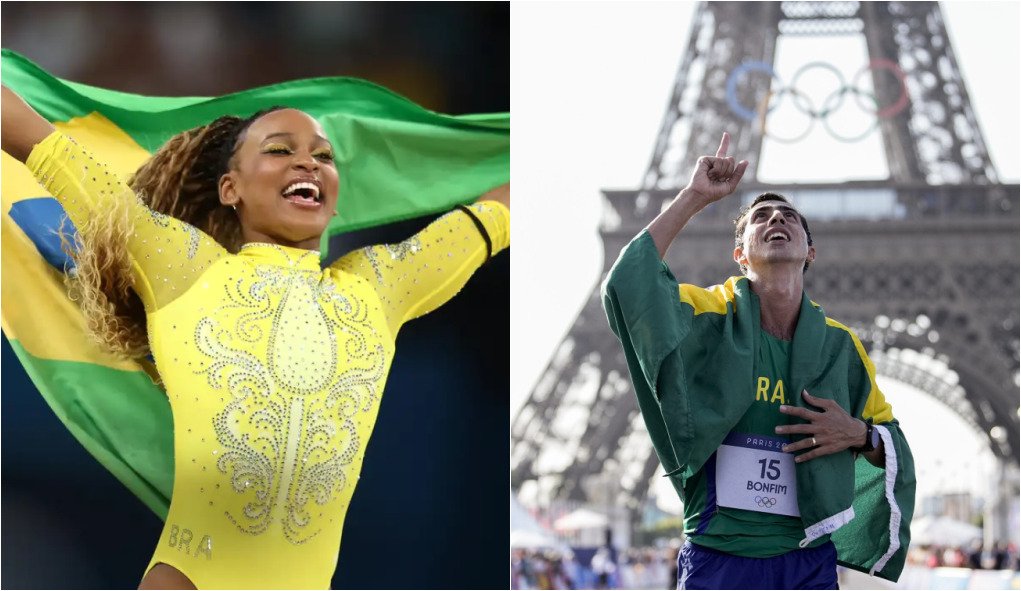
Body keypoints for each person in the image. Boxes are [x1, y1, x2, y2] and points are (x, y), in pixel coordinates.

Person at [1, 85, 509, 589]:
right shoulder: (181, 266)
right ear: (231, 189)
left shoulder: (379, 286)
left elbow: (495, 215)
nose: (308, 163)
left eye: (323, 156)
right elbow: (42, 145)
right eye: (279, 150)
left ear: (334, 198)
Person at [602, 133, 915, 589]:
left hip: (805, 563)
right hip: (720, 557)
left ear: (809, 250)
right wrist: (694, 198)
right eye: (761, 217)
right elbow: (628, 286)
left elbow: (892, 443)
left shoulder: (841, 348)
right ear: (740, 254)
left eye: (789, 216)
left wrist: (858, 433)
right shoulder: (704, 315)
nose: (776, 219)